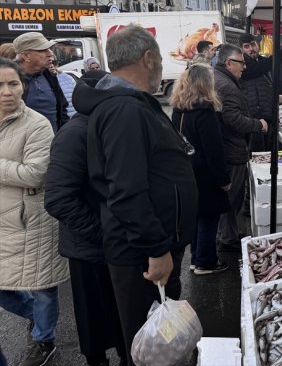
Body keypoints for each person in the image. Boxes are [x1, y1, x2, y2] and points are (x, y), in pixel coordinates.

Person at [72, 25, 198, 366]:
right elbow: (127, 190)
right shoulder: (124, 110)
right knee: (149, 346)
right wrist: (156, 249)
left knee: (162, 339)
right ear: (147, 58)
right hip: (141, 254)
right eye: (158, 59)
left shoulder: (131, 105)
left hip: (149, 247)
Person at [44, 69, 126, 366]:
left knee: (117, 317)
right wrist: (103, 232)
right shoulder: (76, 133)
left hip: (109, 243)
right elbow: (58, 199)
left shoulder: (103, 126)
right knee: (94, 320)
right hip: (89, 246)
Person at [0, 57, 69, 366]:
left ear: (23, 87)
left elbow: (35, 174)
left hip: (30, 220)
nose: (6, 91)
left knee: (41, 286)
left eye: (13, 84)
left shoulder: (37, 124)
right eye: (0, 85)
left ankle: (44, 339)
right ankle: (36, 316)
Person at [170, 64, 231, 275]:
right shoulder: (204, 113)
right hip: (205, 175)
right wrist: (224, 179)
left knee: (196, 217)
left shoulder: (179, 111)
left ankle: (196, 258)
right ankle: (206, 262)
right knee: (209, 217)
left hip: (187, 172)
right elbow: (214, 151)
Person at [213, 43, 267, 251]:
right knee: (232, 196)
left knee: (230, 196)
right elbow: (232, 119)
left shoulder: (219, 78)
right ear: (228, 62)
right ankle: (227, 236)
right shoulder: (226, 85)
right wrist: (257, 125)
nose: (244, 67)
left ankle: (229, 232)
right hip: (231, 148)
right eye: (241, 63)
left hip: (227, 146)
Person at [13, 32, 69, 132]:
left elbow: (62, 109)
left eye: (49, 49)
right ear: (26, 56)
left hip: (54, 143)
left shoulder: (49, 76)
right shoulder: (9, 80)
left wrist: (65, 134)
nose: (50, 54)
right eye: (43, 50)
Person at [239, 33, 279, 153]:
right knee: (258, 154)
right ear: (241, 49)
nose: (251, 49)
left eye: (253, 44)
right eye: (246, 46)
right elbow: (260, 68)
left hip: (269, 116)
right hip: (255, 120)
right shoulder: (245, 66)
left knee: (270, 152)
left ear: (257, 45)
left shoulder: (262, 61)